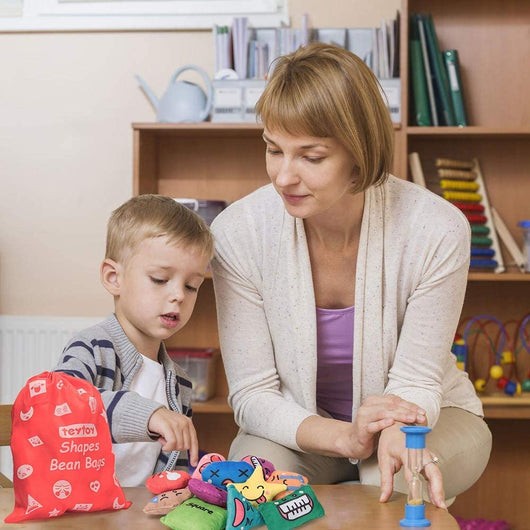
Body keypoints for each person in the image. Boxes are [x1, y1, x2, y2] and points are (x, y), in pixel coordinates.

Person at [210, 43, 491, 508]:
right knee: (254, 492)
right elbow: (252, 394)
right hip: (300, 426)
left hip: (425, 417)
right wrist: (346, 438)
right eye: (273, 149)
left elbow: (417, 378)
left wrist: (395, 431)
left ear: (359, 155)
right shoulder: (239, 233)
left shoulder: (436, 229)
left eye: (311, 157)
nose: (283, 176)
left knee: (389, 483)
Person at [55, 194, 214, 486]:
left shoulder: (179, 382)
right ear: (114, 277)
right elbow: (61, 406)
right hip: (83, 509)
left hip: (138, 512)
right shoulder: (92, 347)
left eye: (192, 286)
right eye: (159, 279)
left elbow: (172, 463)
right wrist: (149, 415)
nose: (179, 295)